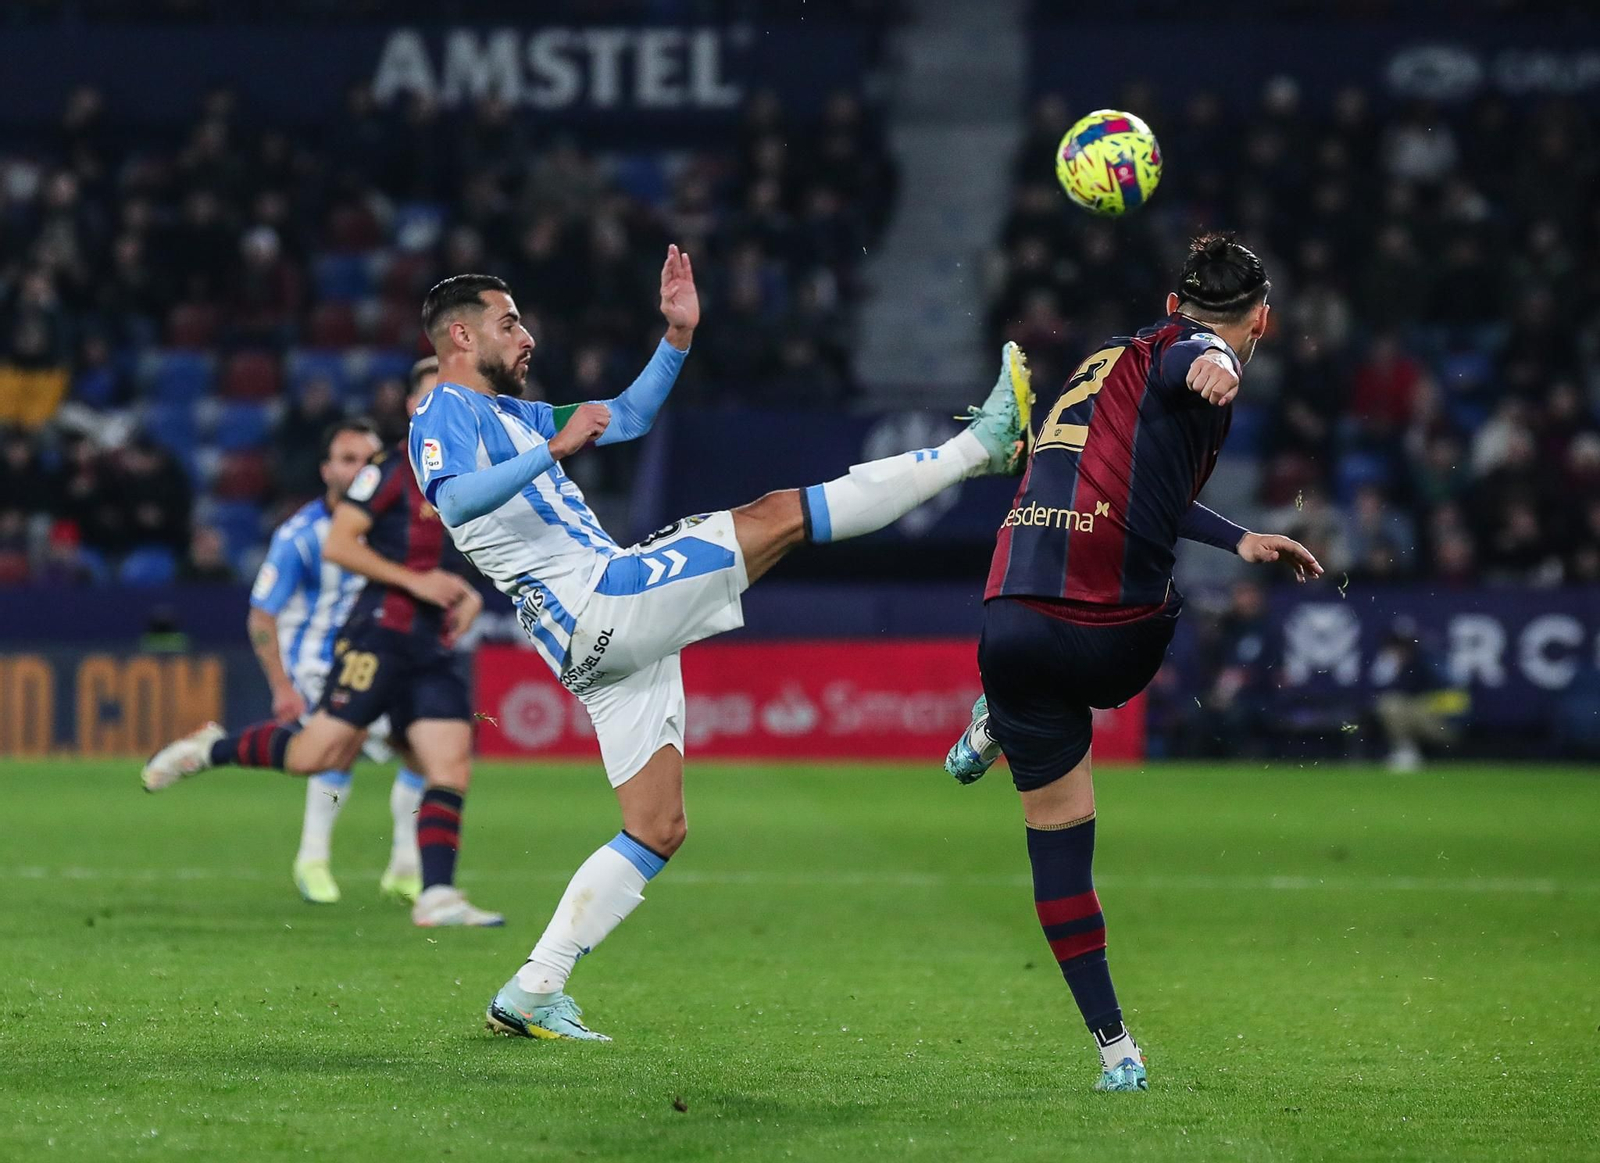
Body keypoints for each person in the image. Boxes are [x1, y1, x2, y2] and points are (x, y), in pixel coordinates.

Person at [405, 249, 1028, 1040]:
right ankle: (981, 449)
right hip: (598, 604)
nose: (526, 335)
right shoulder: (441, 415)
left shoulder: (509, 414)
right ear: (459, 336)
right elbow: (454, 500)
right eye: (508, 322)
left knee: (656, 826)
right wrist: (551, 452)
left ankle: (533, 986)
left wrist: (676, 336)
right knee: (777, 515)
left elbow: (624, 417)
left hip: (595, 635)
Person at [942, 235, 1324, 1092]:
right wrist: (1219, 357)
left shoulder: (1105, 359)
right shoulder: (1191, 355)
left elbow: (1141, 487)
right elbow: (1198, 357)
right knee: (1155, 621)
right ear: (1263, 316)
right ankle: (1001, 719)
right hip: (1113, 632)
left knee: (1057, 849)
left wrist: (1240, 536)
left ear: (1169, 295)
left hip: (1008, 619)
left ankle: (1118, 1051)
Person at [141, 359, 501, 929]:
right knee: (317, 755)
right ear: (413, 408)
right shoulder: (384, 472)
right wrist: (417, 584)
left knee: (448, 762)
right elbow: (340, 544)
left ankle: (435, 893)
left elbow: (445, 557)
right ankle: (211, 752)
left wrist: (465, 591)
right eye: (436, 397)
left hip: (430, 644)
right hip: (376, 638)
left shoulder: (461, 474)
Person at [246, 417, 428, 906]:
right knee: (339, 747)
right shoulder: (301, 536)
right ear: (326, 470)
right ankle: (313, 859)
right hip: (318, 662)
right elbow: (262, 615)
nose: (358, 470)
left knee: (422, 744)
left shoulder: (392, 525)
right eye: (347, 460)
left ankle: (406, 866)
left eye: (368, 460)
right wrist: (281, 685)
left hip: (379, 652)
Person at [1372, 616, 1468, 772]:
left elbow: (1457, 697)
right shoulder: (1393, 665)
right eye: (1395, 645)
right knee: (1390, 703)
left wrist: (1426, 704)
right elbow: (1379, 694)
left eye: (1403, 645)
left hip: (1447, 724)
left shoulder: (1429, 662)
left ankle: (1407, 753)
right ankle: (1406, 752)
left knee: (1395, 705)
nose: (1398, 650)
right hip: (1426, 718)